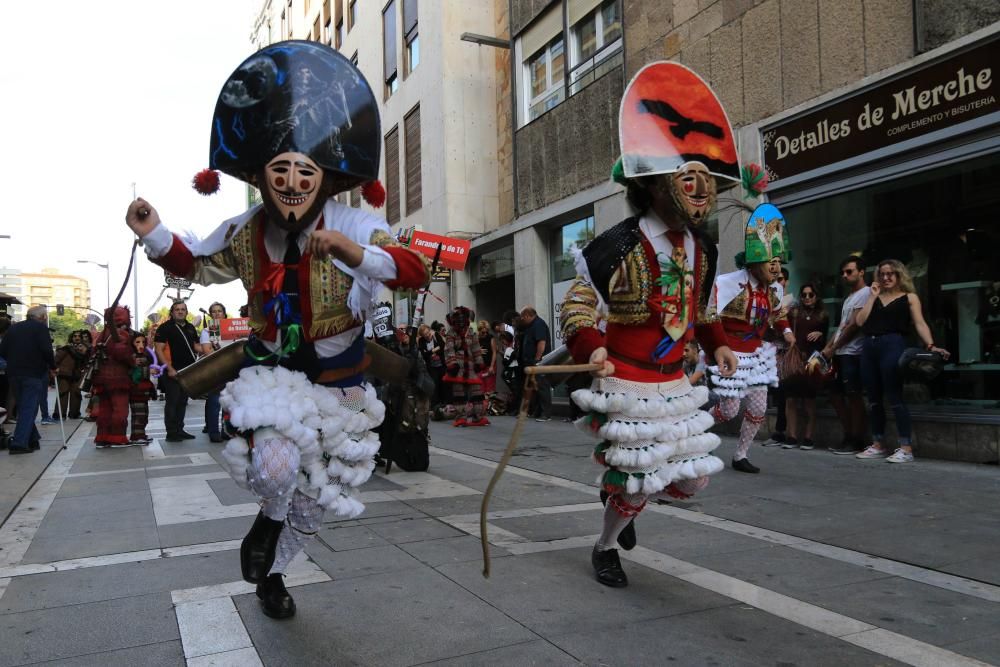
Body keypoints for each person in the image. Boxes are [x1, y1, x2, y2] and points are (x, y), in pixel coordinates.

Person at [125, 41, 429, 620]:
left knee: (316, 506)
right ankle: (266, 523)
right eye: (280, 170)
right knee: (275, 470)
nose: (292, 181)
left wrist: (352, 251)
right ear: (262, 176)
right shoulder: (245, 228)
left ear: (325, 176)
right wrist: (154, 231)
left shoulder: (357, 222)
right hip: (274, 378)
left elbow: (411, 269)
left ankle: (277, 576)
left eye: (304, 171)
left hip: (341, 383)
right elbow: (195, 262)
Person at [559, 62, 738, 588]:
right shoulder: (618, 243)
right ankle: (606, 546)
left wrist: (719, 343)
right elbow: (575, 306)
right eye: (689, 177)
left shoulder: (703, 245)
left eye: (707, 177)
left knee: (694, 476)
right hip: (627, 379)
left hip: (674, 384)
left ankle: (622, 503)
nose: (702, 188)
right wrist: (591, 346)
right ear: (655, 184)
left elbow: (701, 308)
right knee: (638, 485)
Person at [707, 203, 794, 474]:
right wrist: (714, 347)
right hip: (731, 352)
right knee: (729, 410)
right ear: (755, 261)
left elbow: (778, 315)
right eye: (771, 262)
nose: (776, 267)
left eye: (778, 262)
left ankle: (741, 455)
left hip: (759, 353)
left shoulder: (775, 289)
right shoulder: (728, 283)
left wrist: (788, 332)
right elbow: (708, 315)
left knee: (757, 408)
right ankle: (693, 432)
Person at [855, 259, 949, 463]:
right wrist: (872, 297)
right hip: (869, 346)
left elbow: (919, 323)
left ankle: (906, 447)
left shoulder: (909, 297)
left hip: (893, 343)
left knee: (894, 396)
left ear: (899, 276)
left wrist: (931, 345)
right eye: (882, 274)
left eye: (890, 274)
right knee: (873, 398)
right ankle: (878, 443)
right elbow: (860, 322)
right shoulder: (873, 296)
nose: (886, 278)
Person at [823, 256, 871, 454]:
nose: (845, 275)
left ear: (861, 272)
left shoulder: (866, 293)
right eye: (843, 272)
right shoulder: (850, 297)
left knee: (853, 396)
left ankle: (856, 439)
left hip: (853, 353)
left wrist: (833, 348)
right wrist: (828, 348)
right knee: (835, 395)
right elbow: (842, 327)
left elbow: (854, 326)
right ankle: (849, 435)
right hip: (841, 353)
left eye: (849, 271)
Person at [0, 306, 55, 454]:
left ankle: (32, 438)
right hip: (33, 373)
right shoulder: (41, 328)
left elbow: (3, 351)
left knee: (24, 406)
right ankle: (20, 442)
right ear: (43, 317)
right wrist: (52, 366)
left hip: (13, 373)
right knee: (28, 408)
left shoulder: (13, 328)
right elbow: (47, 350)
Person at [780, 284, 828, 451]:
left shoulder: (823, 315)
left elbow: (827, 339)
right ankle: (791, 436)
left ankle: (808, 436)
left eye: (811, 294)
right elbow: (781, 318)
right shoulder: (794, 312)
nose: (807, 297)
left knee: (809, 400)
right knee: (791, 399)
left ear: (817, 296)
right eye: (804, 295)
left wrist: (821, 334)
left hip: (812, 360)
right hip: (795, 358)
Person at [91, 306, 137, 448]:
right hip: (118, 378)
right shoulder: (121, 334)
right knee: (120, 409)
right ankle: (117, 437)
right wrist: (133, 361)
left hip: (101, 378)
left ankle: (102, 437)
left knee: (105, 409)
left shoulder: (102, 333)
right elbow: (121, 353)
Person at [154, 301, 200, 442]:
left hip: (188, 371)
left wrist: (214, 346)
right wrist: (170, 369)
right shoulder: (164, 328)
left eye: (183, 309)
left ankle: (180, 429)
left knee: (182, 401)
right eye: (177, 309)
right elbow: (158, 349)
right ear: (172, 312)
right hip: (172, 371)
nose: (180, 312)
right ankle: (171, 432)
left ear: (186, 312)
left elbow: (197, 347)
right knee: (172, 401)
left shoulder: (191, 327)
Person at [442, 307, 488, 427]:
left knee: (477, 392)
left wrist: (479, 362)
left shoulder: (471, 332)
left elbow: (476, 348)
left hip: (471, 367)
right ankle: (461, 417)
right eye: (459, 319)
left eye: (463, 318)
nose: (461, 321)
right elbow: (448, 349)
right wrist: (452, 364)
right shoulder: (451, 333)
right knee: (459, 394)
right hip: (458, 367)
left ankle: (478, 417)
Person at [761, 267, 792, 447]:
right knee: (776, 394)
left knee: (785, 395)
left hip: (787, 354)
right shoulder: (768, 302)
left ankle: (783, 431)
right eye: (776, 279)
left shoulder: (791, 303)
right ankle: (779, 431)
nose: (778, 283)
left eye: (781, 279)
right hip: (770, 353)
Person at [198, 302, 230, 443]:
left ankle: (227, 430)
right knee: (215, 401)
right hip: (216, 370)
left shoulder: (233, 327)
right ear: (211, 315)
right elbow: (207, 351)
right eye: (214, 311)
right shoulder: (208, 331)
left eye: (220, 311)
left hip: (232, 369)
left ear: (224, 313)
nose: (217, 314)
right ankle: (213, 431)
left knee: (229, 402)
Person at [519, 307, 552, 421]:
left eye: (523, 318)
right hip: (531, 362)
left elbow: (541, 342)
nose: (522, 320)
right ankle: (537, 411)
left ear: (528, 315)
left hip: (539, 362)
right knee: (535, 387)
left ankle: (545, 413)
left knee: (542, 386)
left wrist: (538, 359)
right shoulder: (531, 326)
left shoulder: (538, 324)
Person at [128, 332, 158, 444]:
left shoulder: (144, 355)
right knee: (138, 414)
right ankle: (137, 436)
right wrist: (148, 370)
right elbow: (132, 373)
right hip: (136, 390)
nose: (141, 344)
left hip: (143, 390)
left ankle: (141, 434)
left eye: (143, 342)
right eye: (137, 342)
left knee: (144, 413)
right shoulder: (132, 357)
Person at [53, 330, 87, 419]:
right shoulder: (66, 348)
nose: (77, 338)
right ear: (72, 338)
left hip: (76, 375)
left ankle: (74, 413)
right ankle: (60, 414)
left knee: (76, 395)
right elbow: (56, 360)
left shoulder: (85, 349)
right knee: (63, 394)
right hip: (64, 374)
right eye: (75, 336)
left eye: (79, 336)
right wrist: (55, 369)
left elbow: (86, 363)